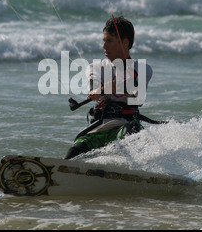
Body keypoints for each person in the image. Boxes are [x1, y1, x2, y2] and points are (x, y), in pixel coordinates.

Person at [64, 16, 153, 159]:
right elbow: (94, 87)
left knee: (133, 130)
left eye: (109, 41)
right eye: (103, 41)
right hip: (100, 129)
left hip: (127, 127)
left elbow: (131, 87)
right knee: (71, 154)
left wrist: (103, 90)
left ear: (124, 42)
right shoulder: (95, 67)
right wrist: (95, 91)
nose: (104, 46)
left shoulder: (143, 68)